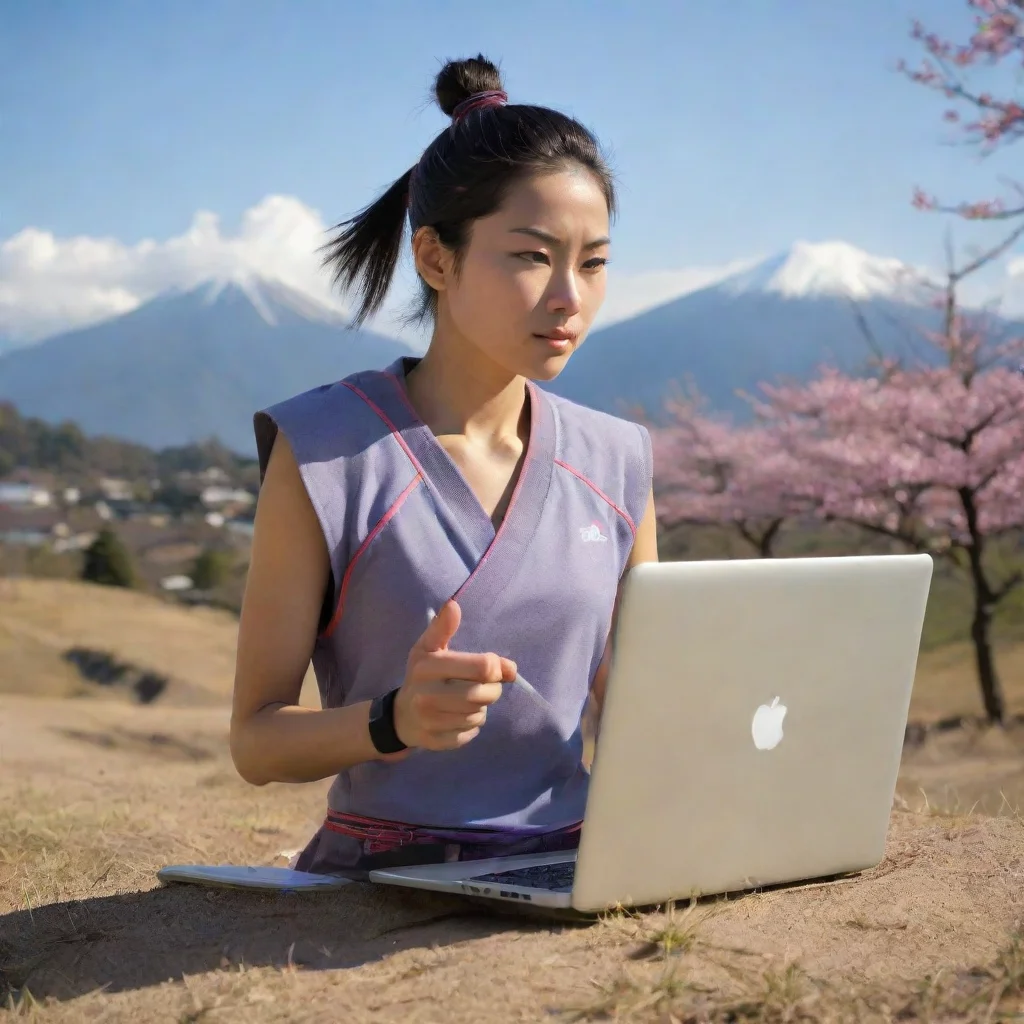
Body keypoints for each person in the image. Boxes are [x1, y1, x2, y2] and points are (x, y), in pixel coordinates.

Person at [229, 55, 658, 878]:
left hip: (580, 870)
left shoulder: (619, 458)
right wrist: (391, 722)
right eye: (532, 256)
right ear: (435, 259)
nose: (570, 294)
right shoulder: (325, 450)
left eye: (594, 262)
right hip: (381, 880)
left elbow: (637, 703)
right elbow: (255, 740)